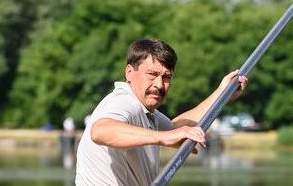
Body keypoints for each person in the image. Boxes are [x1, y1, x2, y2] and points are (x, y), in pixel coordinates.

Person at [75, 38, 247, 185]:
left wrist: (222, 94)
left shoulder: (146, 113)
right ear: (129, 72)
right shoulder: (124, 101)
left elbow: (177, 127)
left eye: (166, 77)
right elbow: (100, 131)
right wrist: (163, 138)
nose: (159, 84)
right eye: (152, 74)